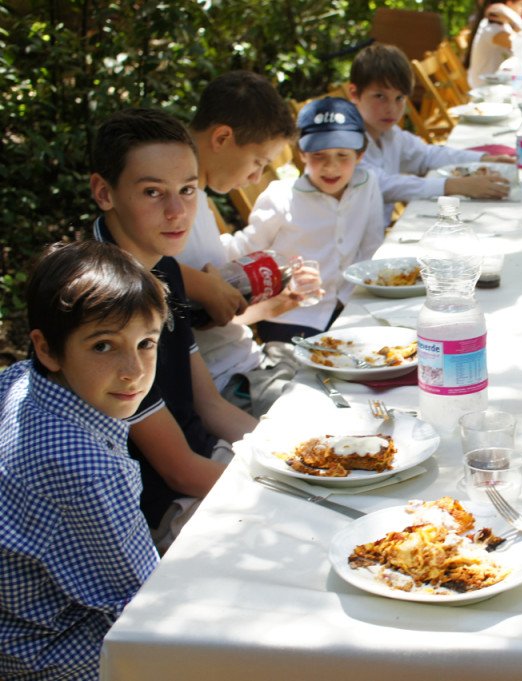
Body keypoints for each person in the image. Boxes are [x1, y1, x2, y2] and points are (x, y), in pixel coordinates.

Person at [89, 108, 259, 551]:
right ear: (104, 192)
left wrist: (291, 455)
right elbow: (176, 469)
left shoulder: (164, 267)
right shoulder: (99, 300)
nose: (176, 211)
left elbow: (209, 406)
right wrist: (283, 490)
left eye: (187, 190)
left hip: (208, 464)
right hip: (162, 512)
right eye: (152, 192)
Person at [0, 241, 164, 679]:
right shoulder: (85, 470)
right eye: (104, 346)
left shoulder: (21, 380)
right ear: (48, 348)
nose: (133, 370)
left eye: (146, 342)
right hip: (51, 652)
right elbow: (145, 605)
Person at [176, 70, 316, 399]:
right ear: (222, 138)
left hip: (252, 361)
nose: (255, 178)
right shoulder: (171, 214)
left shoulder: (199, 199)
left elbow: (211, 321)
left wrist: (273, 305)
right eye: (257, 161)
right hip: (229, 385)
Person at [221, 97, 384, 342]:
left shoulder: (367, 184)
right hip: (293, 315)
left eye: (343, 155)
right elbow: (242, 253)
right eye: (319, 155)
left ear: (360, 154)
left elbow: (371, 246)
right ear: (302, 154)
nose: (331, 167)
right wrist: (281, 279)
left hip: (349, 308)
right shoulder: (281, 197)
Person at [346, 43, 515, 225]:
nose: (392, 109)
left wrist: (485, 159)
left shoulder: (389, 134)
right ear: (354, 93)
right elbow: (383, 185)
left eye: (399, 98)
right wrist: (455, 186)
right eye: (380, 97)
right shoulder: (345, 141)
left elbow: (427, 155)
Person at [466, 0, 522, 87]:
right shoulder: (492, 30)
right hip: (485, 88)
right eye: (521, 4)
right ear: (509, 4)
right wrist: (513, 17)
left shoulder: (501, 26)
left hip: (496, 83)